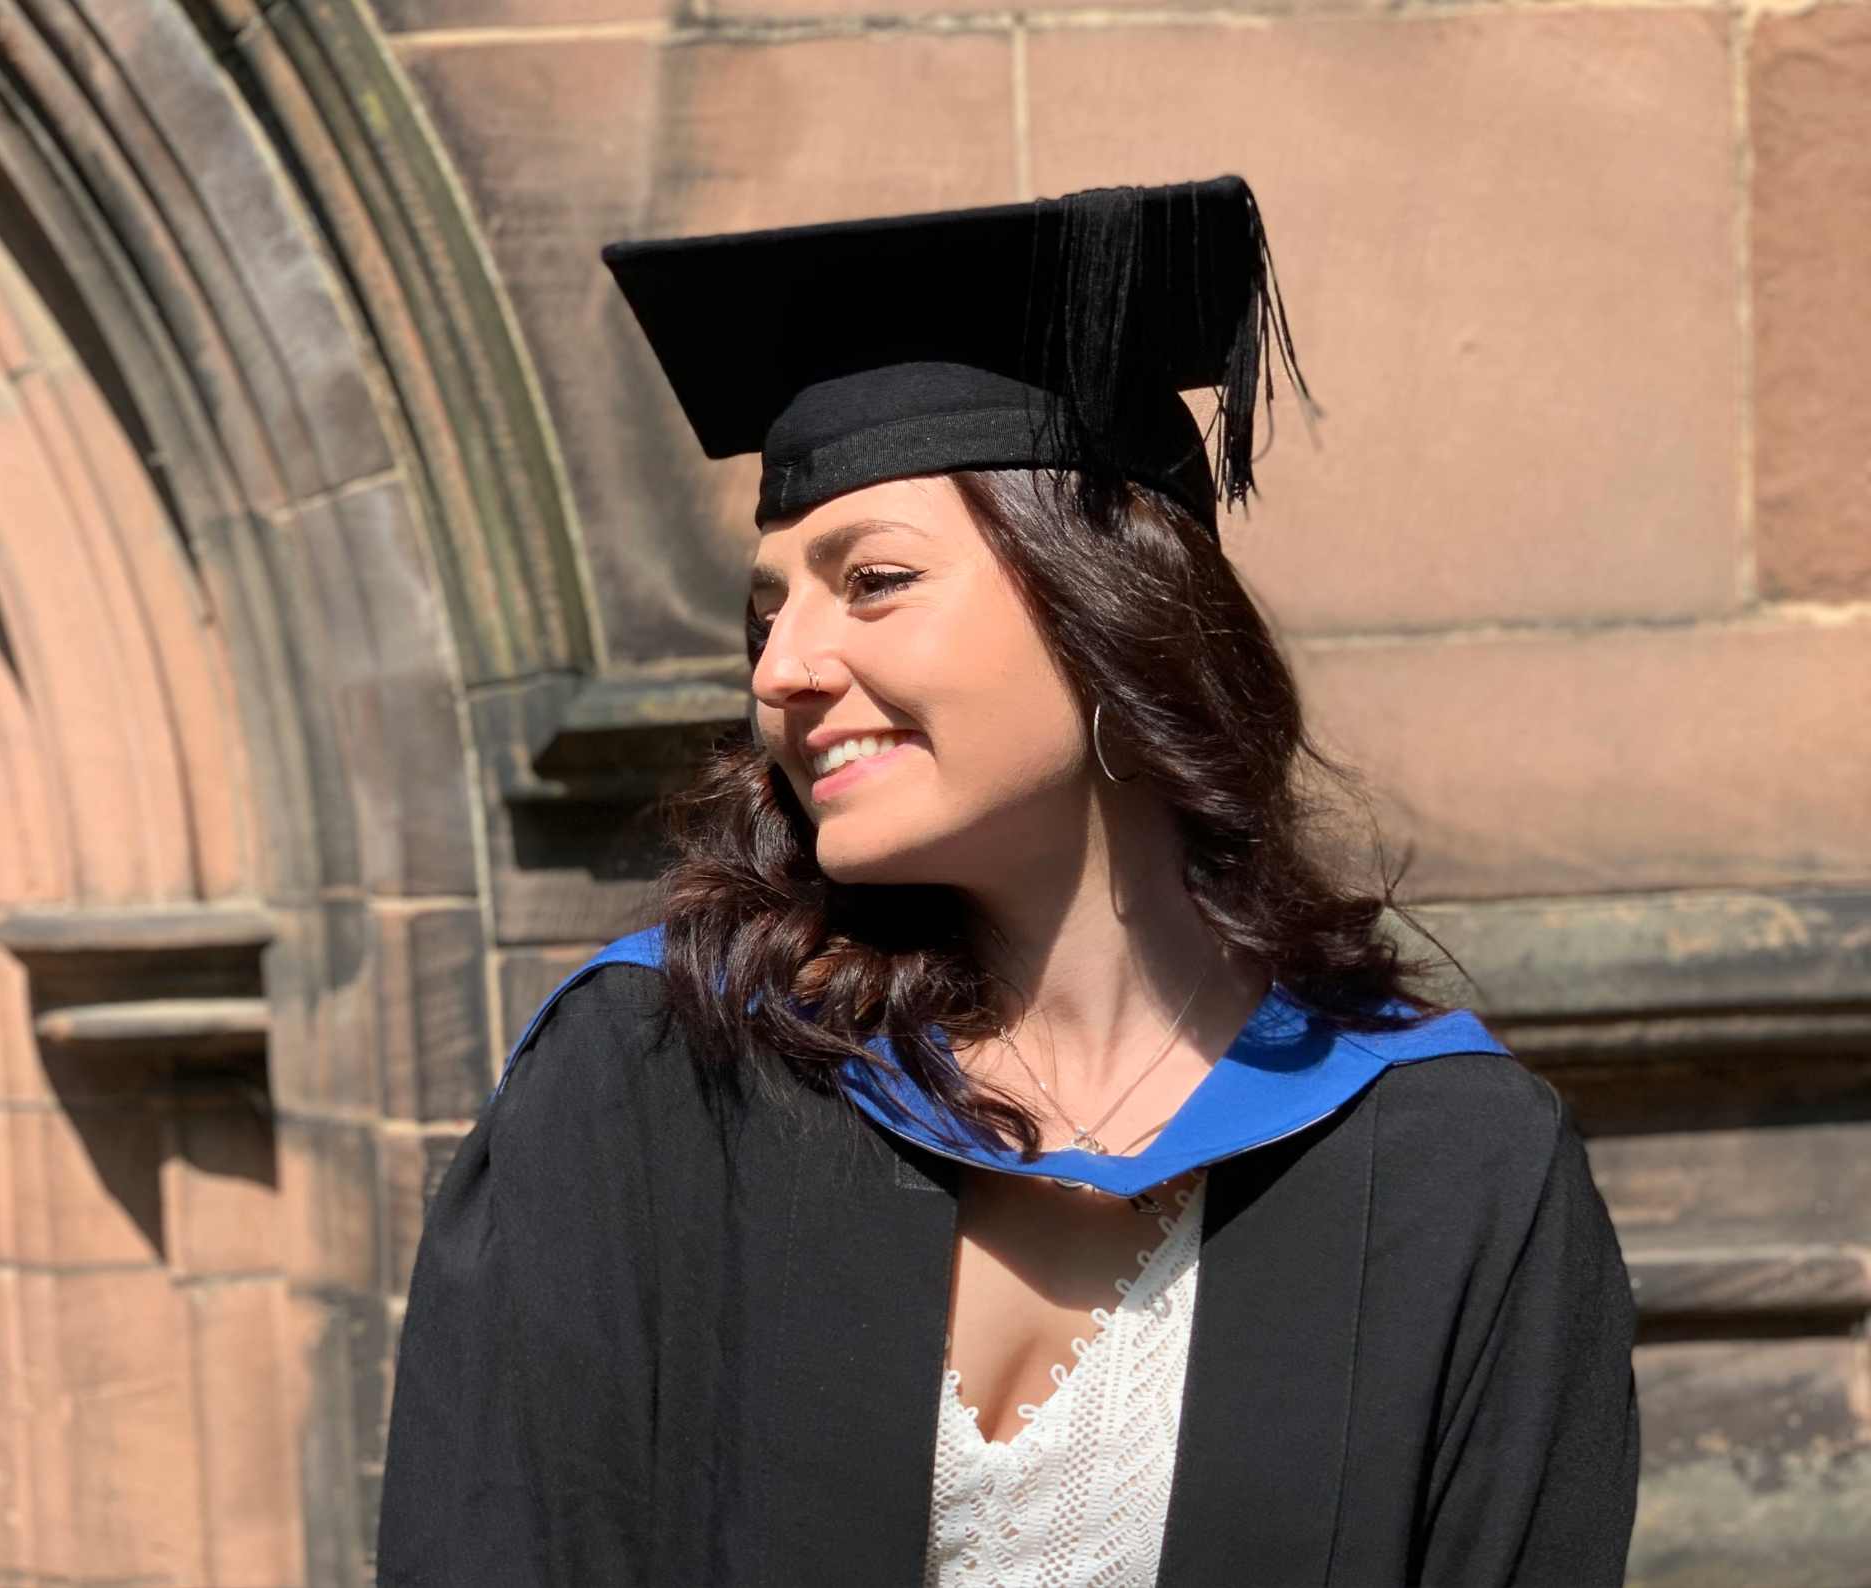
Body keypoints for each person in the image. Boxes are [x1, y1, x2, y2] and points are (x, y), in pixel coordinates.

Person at [376, 177, 1639, 1587]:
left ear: (1108, 605)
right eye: (765, 611)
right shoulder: (661, 1080)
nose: (782, 668)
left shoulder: (1448, 1171)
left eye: (873, 581)